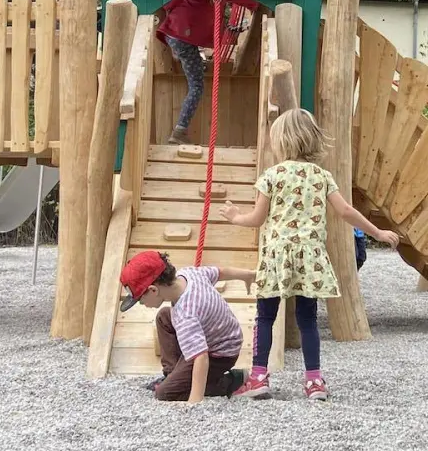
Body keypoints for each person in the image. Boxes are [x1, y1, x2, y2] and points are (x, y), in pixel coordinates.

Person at [219, 109, 399, 401]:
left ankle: (258, 378)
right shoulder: (322, 176)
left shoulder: (272, 176)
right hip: (310, 256)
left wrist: (235, 216)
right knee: (308, 319)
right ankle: (314, 382)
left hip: (277, 255)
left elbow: (257, 218)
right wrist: (378, 232)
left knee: (265, 317)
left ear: (281, 141)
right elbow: (346, 211)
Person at [118, 250, 253, 403]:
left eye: (140, 300)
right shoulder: (188, 274)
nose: (142, 304)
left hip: (220, 355)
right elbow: (220, 272)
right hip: (226, 335)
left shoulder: (186, 314)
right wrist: (247, 275)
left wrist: (194, 401)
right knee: (164, 317)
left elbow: (201, 357)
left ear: (153, 290)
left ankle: (230, 382)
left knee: (165, 394)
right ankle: (172, 375)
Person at [156, 0, 261, 145]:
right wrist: (257, 5)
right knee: (196, 86)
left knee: (192, 62)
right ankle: (180, 131)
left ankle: (193, 60)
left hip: (173, 34)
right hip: (184, 37)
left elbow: (167, 3)